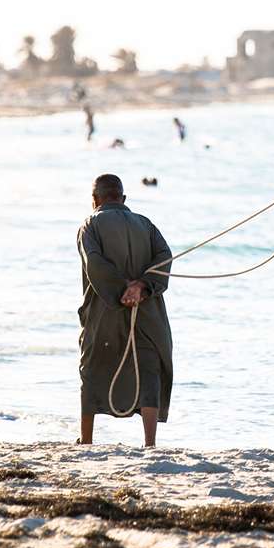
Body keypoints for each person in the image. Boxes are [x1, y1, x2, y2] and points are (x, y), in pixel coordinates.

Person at [76, 174, 172, 447]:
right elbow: (164, 257)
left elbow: (94, 263)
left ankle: (87, 439)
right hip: (147, 310)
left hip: (104, 310)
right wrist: (141, 287)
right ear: (124, 199)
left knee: (93, 367)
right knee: (148, 367)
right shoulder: (146, 224)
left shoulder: (89, 225)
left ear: (94, 200)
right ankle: (150, 442)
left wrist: (122, 290)